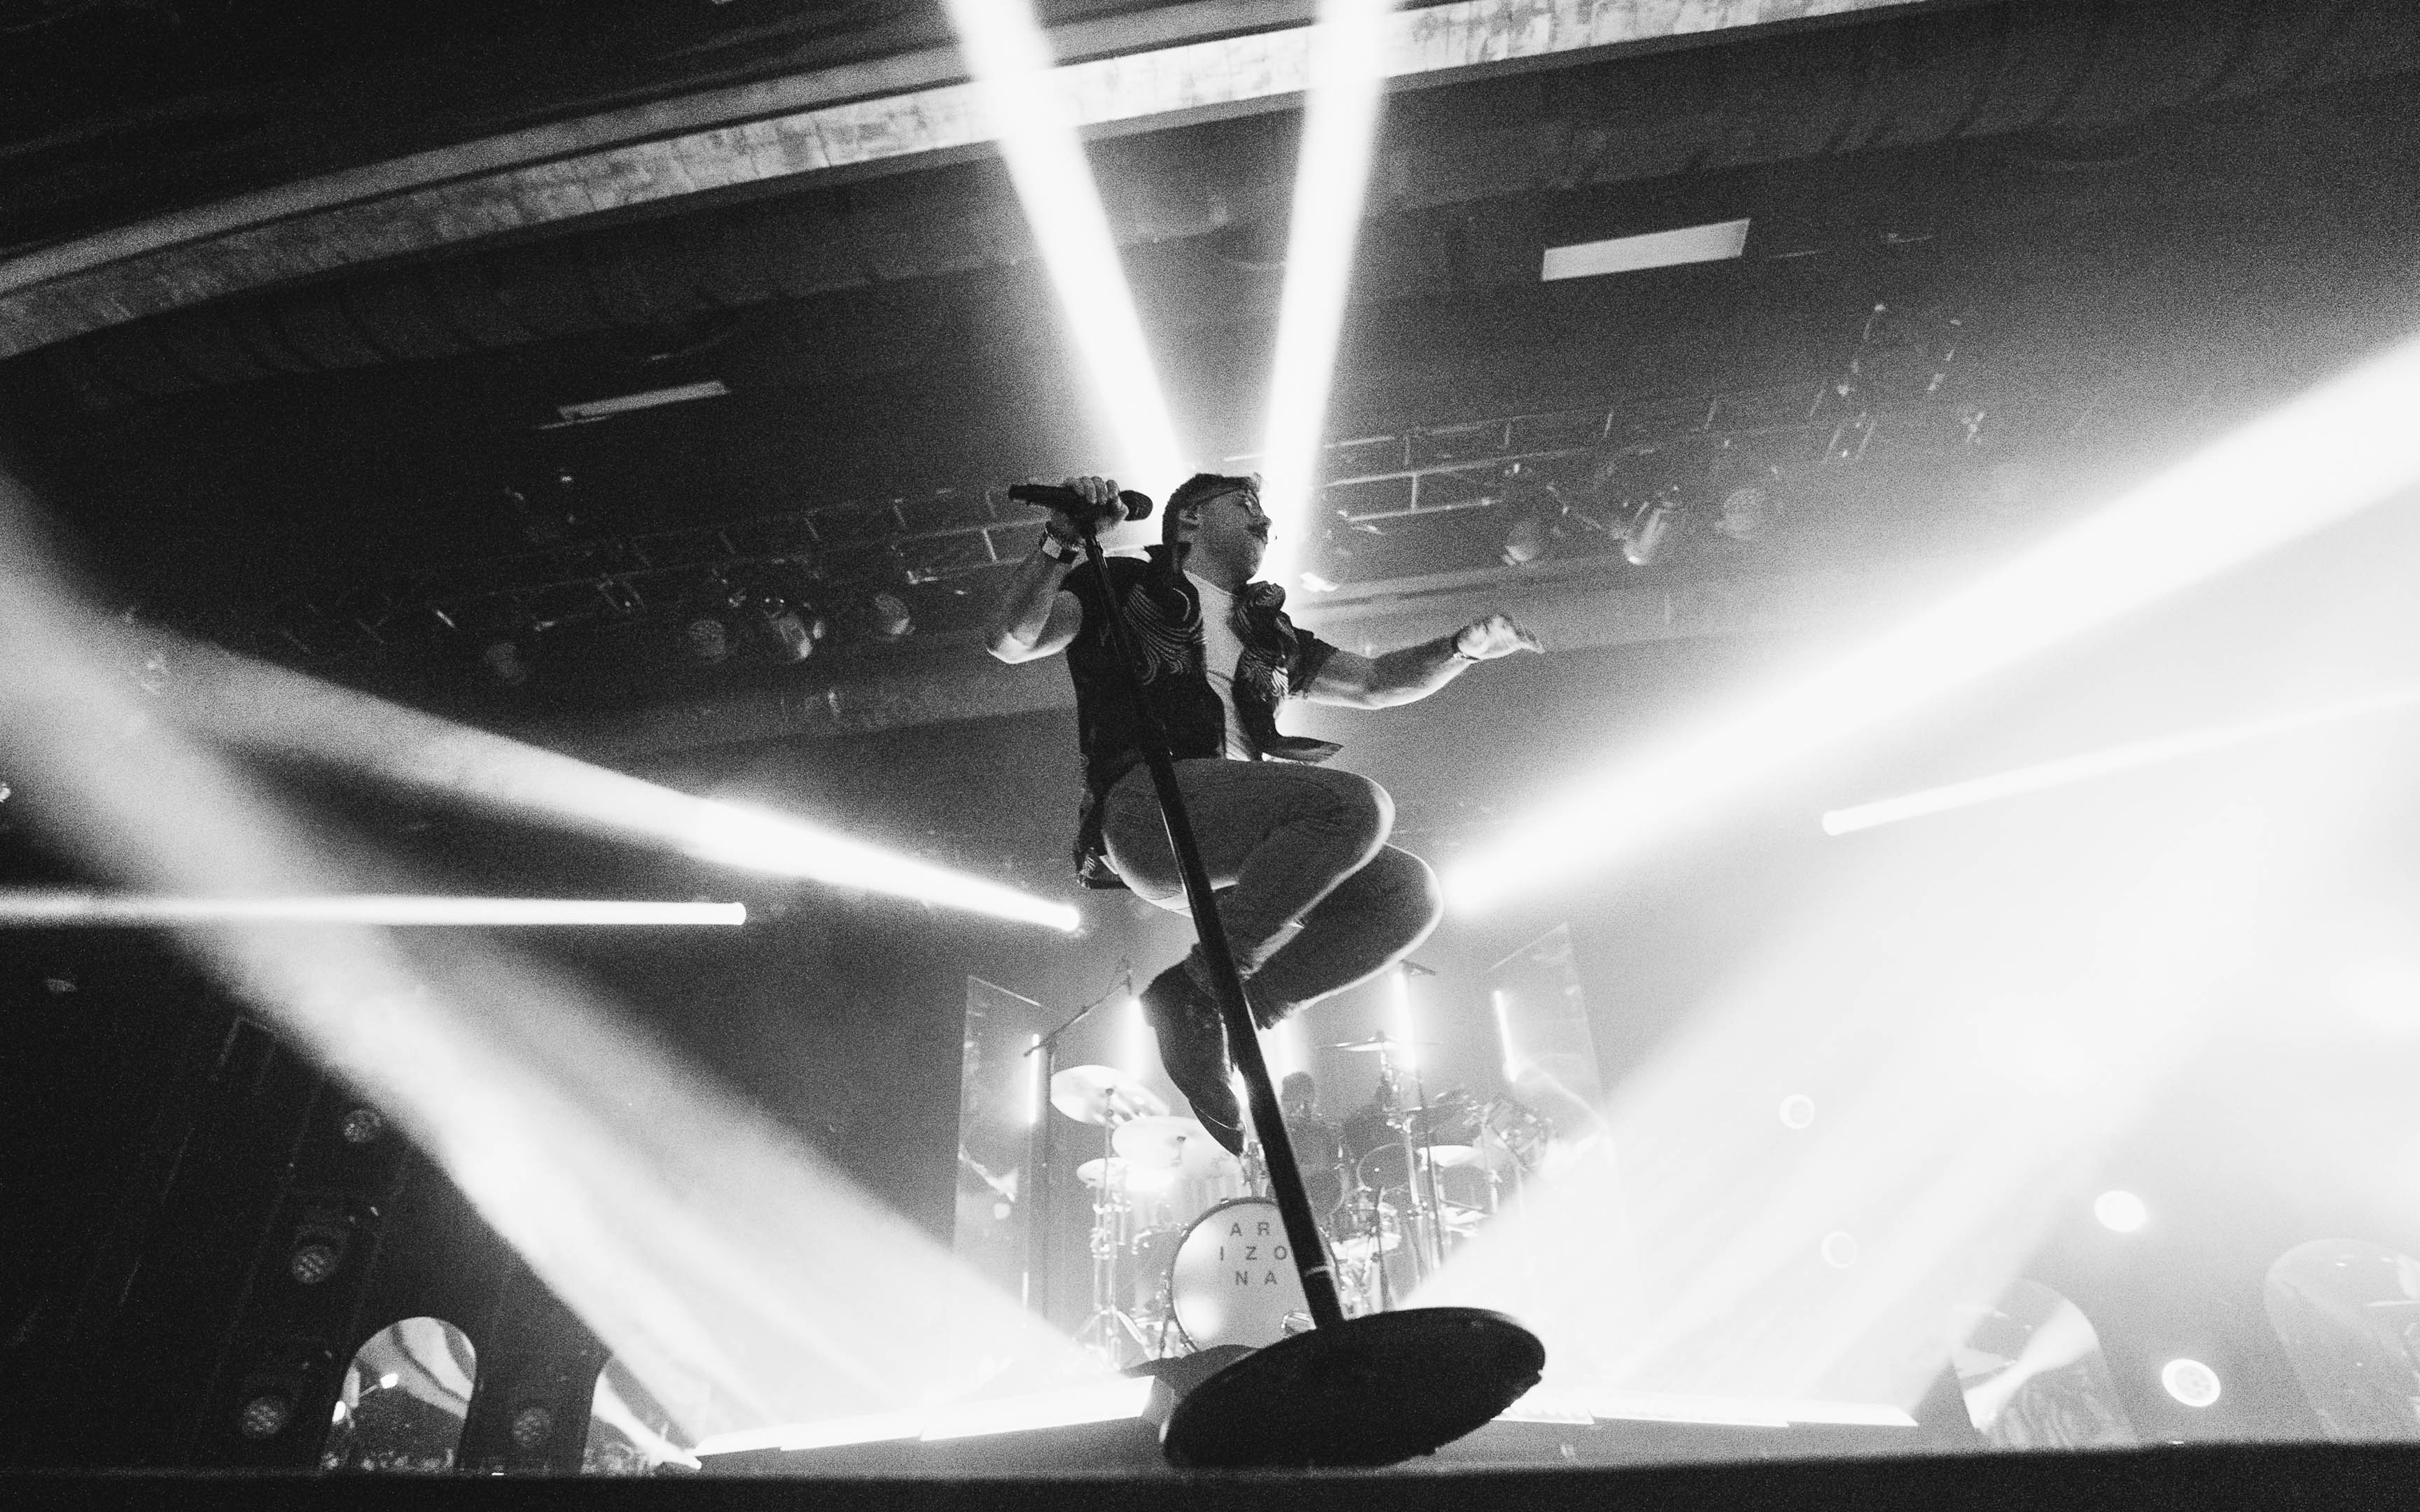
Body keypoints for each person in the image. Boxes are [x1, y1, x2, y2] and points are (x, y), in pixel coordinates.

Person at [984, 471, 1542, 1154]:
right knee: (1356, 807)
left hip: (1226, 835)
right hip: (1146, 812)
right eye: (1243, 503)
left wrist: (1462, 650)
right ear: (1188, 522)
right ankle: (1197, 990)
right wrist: (1059, 546)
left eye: (1265, 507)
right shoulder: (1123, 585)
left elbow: (1372, 682)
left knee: (1407, 893)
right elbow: (1012, 639)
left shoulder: (1267, 632)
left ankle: (1234, 1009)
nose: (1264, 517)